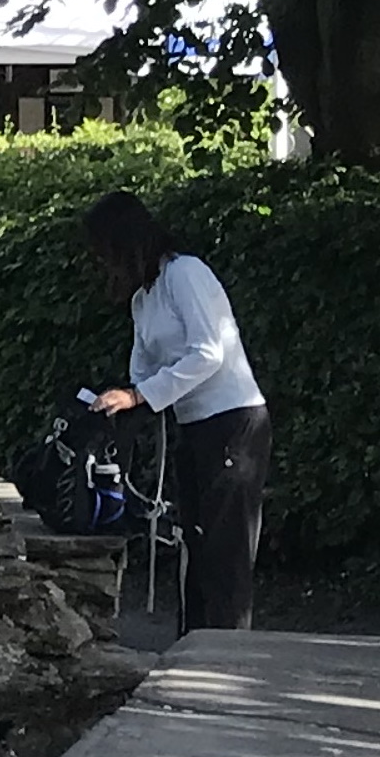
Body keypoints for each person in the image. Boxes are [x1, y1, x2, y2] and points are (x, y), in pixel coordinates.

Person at [83, 190, 269, 629]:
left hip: (234, 422)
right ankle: (195, 648)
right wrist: (119, 400)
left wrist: (141, 395)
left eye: (105, 252)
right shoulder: (143, 299)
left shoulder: (185, 274)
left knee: (226, 555)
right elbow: (141, 370)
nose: (101, 264)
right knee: (195, 546)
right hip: (194, 425)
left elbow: (209, 352)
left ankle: (226, 658)